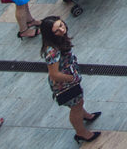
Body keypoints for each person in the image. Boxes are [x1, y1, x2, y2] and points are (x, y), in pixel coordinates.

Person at [39, 16, 102, 144]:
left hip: (70, 79)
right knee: (75, 107)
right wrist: (72, 78)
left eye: (62, 25)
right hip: (65, 84)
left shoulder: (59, 41)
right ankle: (81, 133)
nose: (62, 30)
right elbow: (54, 74)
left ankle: (85, 115)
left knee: (78, 102)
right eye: (57, 30)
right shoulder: (52, 51)